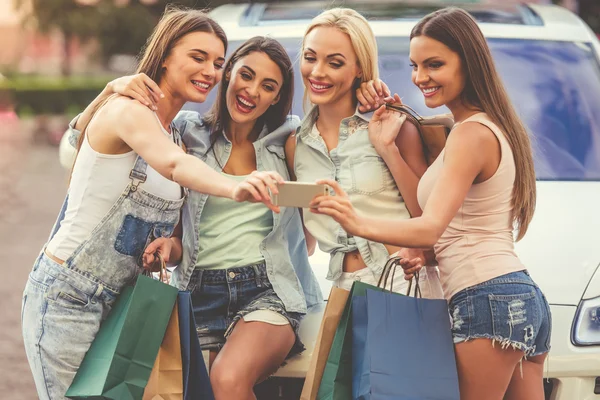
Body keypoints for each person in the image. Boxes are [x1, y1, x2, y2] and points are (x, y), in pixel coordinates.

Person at [21, 9, 282, 400]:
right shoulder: (128, 112)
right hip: (69, 299)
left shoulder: (176, 133)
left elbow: (175, 188)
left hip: (129, 304)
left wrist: (170, 248)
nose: (210, 71)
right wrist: (237, 187)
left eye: (217, 62)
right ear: (164, 56)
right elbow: (171, 165)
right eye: (197, 57)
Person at [311, 7, 551, 400]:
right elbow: (452, 227)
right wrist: (388, 148)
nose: (420, 77)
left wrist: (354, 221)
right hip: (519, 296)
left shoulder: (471, 133)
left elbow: (429, 228)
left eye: (434, 64)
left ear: (469, 63)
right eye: (415, 65)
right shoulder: (478, 126)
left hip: (487, 299)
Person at [65, 37, 323, 400]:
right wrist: (111, 90)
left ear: (278, 98)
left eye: (268, 86)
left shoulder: (289, 140)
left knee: (228, 381)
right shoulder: (188, 132)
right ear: (228, 73)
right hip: (199, 291)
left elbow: (328, 191)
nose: (251, 91)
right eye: (245, 75)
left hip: (267, 290)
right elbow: (79, 144)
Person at [287, 7, 443, 297]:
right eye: (310, 58)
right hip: (340, 286)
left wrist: (388, 150)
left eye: (334, 63)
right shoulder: (296, 144)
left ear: (359, 67)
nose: (317, 72)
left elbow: (429, 215)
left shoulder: (393, 127)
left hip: (400, 279)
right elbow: (304, 239)